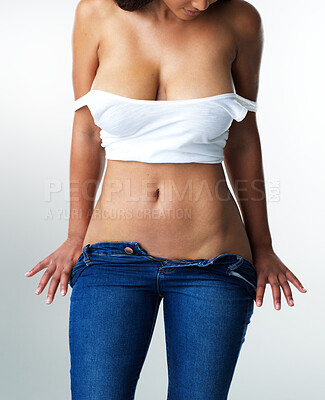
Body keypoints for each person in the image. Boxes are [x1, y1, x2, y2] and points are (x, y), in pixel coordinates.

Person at [25, 0, 308, 398]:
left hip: (214, 266)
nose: (202, 4)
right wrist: (75, 235)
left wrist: (264, 245)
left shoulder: (240, 19)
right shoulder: (96, 13)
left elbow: (243, 138)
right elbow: (87, 131)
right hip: (110, 262)